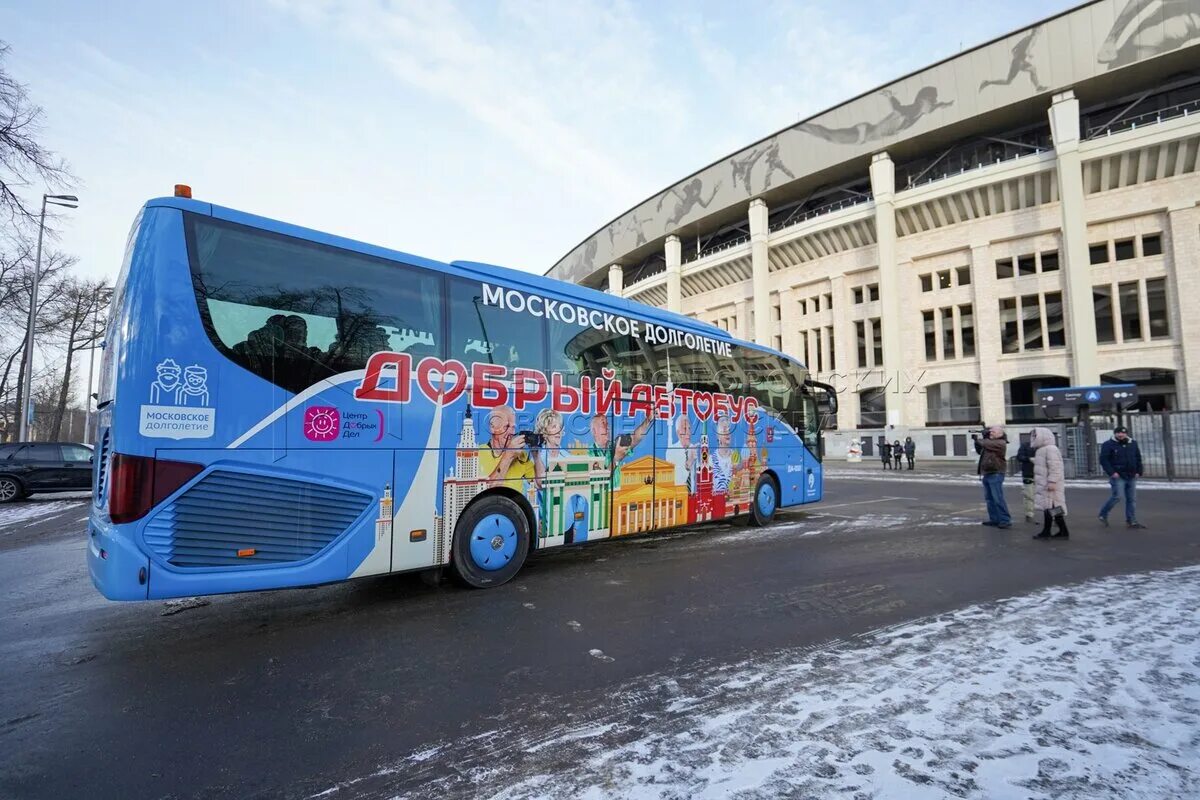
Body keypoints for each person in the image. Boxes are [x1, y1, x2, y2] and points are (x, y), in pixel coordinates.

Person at [478, 406, 536, 491]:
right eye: (506, 426)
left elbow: (538, 484)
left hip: (514, 504)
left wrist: (536, 454)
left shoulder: (521, 454)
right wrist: (509, 455)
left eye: (513, 427)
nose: (511, 432)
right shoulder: (478, 453)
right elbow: (483, 490)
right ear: (492, 427)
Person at [1098, 425, 1145, 528]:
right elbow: (1103, 460)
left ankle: (1131, 520)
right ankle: (1103, 514)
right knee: (1117, 497)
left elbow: (1138, 458)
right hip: (1118, 475)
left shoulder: (1133, 443)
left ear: (1126, 434)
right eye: (1118, 433)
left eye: (1123, 433)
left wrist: (1139, 471)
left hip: (1131, 474)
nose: (1121, 434)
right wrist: (1112, 472)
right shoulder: (1108, 444)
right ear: (1115, 434)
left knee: (1131, 499)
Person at [1030, 427, 1069, 540]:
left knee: (1051, 507)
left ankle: (1048, 531)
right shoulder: (1043, 449)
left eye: (1035, 436)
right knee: (1052, 507)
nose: (1034, 438)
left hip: (1050, 484)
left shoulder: (1050, 449)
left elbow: (1055, 467)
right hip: (1045, 483)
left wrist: (1052, 481)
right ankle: (1062, 531)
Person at [975, 425, 1012, 529]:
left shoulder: (1000, 443)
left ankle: (1005, 519)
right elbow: (980, 450)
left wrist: (980, 438)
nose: (990, 433)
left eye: (993, 432)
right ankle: (994, 519)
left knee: (997, 498)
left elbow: (985, 443)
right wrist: (976, 442)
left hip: (996, 473)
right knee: (989, 499)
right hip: (987, 473)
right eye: (990, 432)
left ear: (1000, 434)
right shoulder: (990, 443)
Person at [1016, 434, 1037, 523]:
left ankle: (1056, 517)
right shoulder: (1025, 445)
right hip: (1028, 473)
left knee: (1050, 498)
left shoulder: (1046, 447)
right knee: (1029, 495)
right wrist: (1029, 459)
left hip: (1044, 475)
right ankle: (1029, 515)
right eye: (1033, 435)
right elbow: (1019, 457)